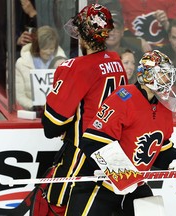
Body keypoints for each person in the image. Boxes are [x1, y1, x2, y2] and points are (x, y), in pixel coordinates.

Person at [63, 50, 176, 215]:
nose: (167, 79)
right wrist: (121, 174)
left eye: (168, 75)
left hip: (135, 186)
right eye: (162, 74)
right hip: (100, 185)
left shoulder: (164, 107)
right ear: (147, 75)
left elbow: (160, 149)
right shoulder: (123, 97)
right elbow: (93, 141)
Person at [41, 4, 128, 215]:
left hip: (82, 155)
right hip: (113, 154)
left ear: (82, 34)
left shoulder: (76, 68)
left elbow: (52, 125)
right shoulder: (116, 61)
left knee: (55, 204)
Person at [15, 25, 66, 111]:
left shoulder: (62, 62)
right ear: (37, 48)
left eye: (51, 48)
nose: (49, 52)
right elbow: (19, 96)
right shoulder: (22, 63)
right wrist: (34, 107)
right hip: (32, 115)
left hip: (57, 112)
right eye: (45, 48)